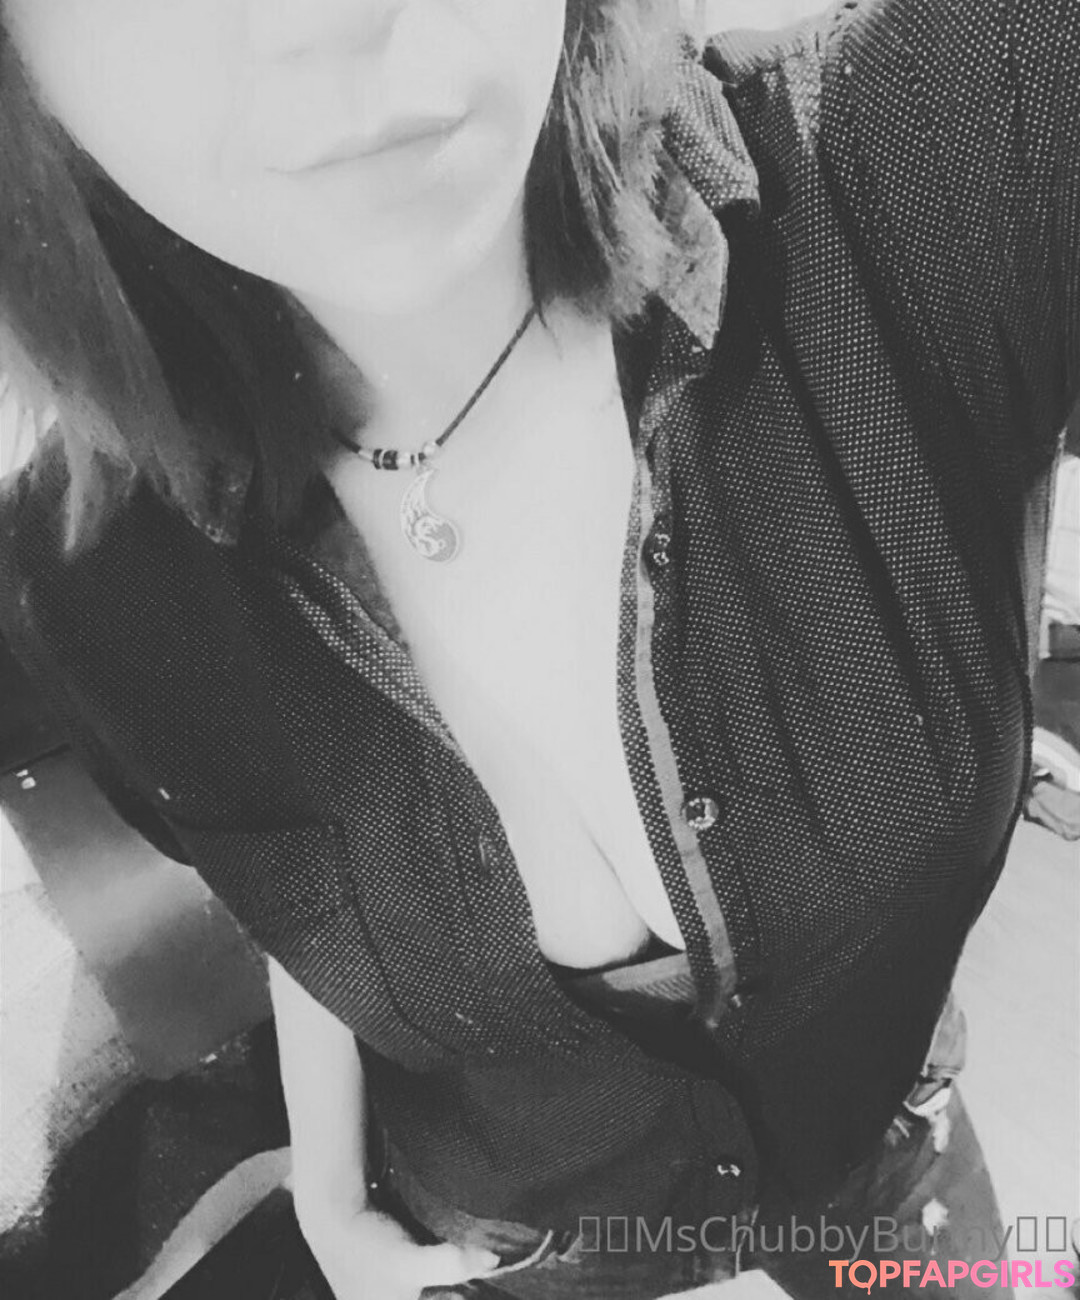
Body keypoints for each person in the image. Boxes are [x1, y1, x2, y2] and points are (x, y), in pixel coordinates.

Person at [0, 1, 1077, 1298]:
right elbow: (291, 891)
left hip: (881, 1161)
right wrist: (330, 1189)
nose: (319, 19)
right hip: (528, 1245)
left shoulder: (926, 161)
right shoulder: (90, 580)